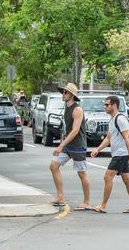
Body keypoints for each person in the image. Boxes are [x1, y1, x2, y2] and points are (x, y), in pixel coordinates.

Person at [91, 95, 129, 214]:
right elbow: (108, 138)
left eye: (107, 105)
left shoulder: (120, 119)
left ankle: (103, 205)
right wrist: (98, 149)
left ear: (114, 105)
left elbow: (127, 137)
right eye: (105, 105)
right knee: (127, 180)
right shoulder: (112, 120)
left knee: (107, 177)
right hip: (118, 154)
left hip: (121, 154)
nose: (105, 107)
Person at [49, 83, 91, 211]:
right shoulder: (67, 107)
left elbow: (75, 131)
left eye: (66, 93)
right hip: (68, 146)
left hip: (78, 146)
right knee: (53, 166)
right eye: (63, 92)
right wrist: (63, 143)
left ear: (72, 95)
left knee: (82, 174)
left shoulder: (77, 110)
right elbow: (67, 130)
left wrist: (60, 146)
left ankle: (87, 202)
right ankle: (60, 197)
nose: (63, 94)